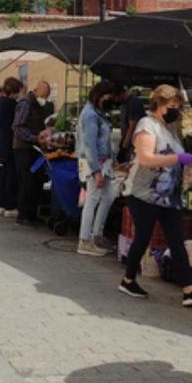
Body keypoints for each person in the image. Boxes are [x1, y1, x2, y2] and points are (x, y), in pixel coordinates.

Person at [118, 84, 192, 307]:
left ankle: (189, 290)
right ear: (158, 105)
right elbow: (147, 158)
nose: (175, 110)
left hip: (168, 197)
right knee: (143, 237)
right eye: (172, 106)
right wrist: (178, 159)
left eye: (178, 106)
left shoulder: (170, 129)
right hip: (143, 193)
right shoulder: (146, 125)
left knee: (177, 240)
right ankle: (128, 279)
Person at [76, 80, 119, 256]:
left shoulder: (98, 113)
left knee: (109, 196)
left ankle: (97, 234)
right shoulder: (90, 115)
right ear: (101, 95)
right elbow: (89, 144)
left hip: (103, 162)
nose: (112, 99)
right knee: (92, 199)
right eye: (110, 95)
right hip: (95, 162)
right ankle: (84, 240)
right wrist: (96, 171)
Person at [12, 80, 53, 226]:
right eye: (44, 95)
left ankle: (32, 214)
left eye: (47, 96)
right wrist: (34, 138)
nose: (46, 99)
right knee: (27, 181)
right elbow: (17, 127)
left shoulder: (42, 106)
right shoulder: (25, 103)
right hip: (23, 147)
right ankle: (23, 214)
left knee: (37, 180)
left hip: (36, 148)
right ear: (37, 90)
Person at [0, 78, 22, 217]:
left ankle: (2, 204)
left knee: (2, 174)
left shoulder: (0, 103)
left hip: (1, 140)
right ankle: (10, 206)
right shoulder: (13, 104)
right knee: (11, 174)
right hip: (11, 141)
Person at [118, 86, 146, 164]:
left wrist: (124, 146)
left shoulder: (133, 103)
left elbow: (132, 126)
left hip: (133, 144)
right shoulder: (124, 104)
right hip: (128, 142)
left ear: (121, 94)